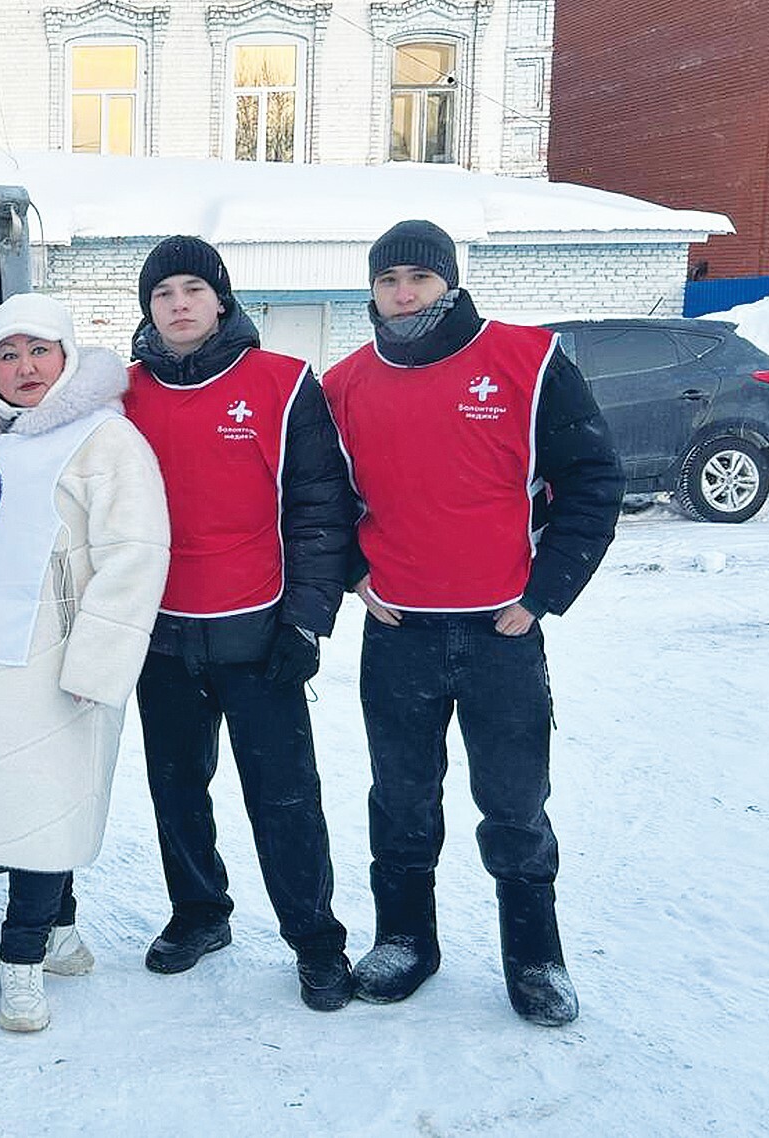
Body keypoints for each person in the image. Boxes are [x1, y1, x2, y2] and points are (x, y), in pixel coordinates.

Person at [321, 219, 622, 1026]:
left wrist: (544, 593)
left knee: (515, 803)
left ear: (448, 283)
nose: (403, 293)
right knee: (402, 799)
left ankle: (536, 959)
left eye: (418, 277)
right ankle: (404, 941)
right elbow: (317, 496)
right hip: (400, 633)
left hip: (502, 633)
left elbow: (594, 482)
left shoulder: (529, 360)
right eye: (388, 280)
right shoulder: (345, 384)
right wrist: (352, 572)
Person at [125, 236, 359, 1011]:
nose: (179, 304)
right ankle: (199, 912)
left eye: (193, 289)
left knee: (284, 797)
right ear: (148, 309)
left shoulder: (283, 384)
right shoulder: (123, 394)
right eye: (163, 294)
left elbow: (320, 511)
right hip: (161, 636)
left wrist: (307, 622)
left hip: (258, 635)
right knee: (176, 789)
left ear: (221, 300)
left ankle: (316, 941)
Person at [0, 293, 169, 1032]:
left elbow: (135, 558)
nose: (24, 367)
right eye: (8, 354)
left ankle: (23, 962)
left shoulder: (106, 440)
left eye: (39, 350)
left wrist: (97, 664)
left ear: (67, 358)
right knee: (34, 804)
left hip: (56, 660)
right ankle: (62, 936)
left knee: (41, 808)